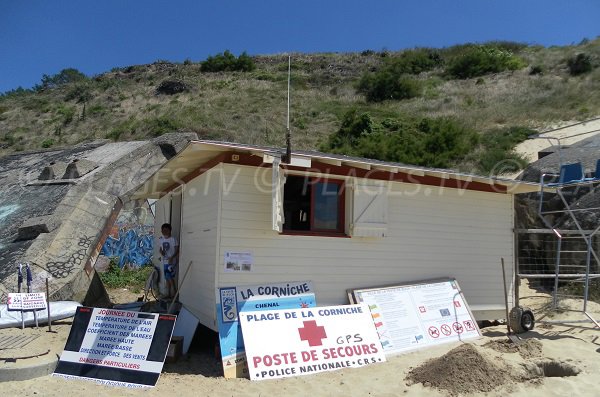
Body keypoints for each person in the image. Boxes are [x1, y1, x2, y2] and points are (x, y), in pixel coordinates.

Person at [159, 223, 179, 298]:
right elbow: (160, 250)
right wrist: (162, 252)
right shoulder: (161, 239)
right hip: (165, 261)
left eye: (166, 230)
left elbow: (177, 250)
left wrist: (172, 257)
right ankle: (169, 294)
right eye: (163, 230)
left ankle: (174, 294)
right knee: (167, 278)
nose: (164, 232)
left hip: (171, 262)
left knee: (170, 278)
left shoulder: (173, 239)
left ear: (170, 230)